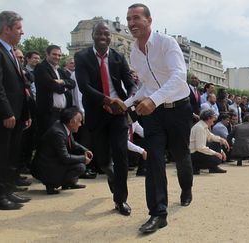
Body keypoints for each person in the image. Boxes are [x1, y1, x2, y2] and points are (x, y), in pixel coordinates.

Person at [123, 4, 194, 233]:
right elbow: (146, 85)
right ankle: (157, 213)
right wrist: (124, 104)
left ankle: (186, 187)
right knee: (154, 159)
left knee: (181, 154)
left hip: (178, 108)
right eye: (128, 19)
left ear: (149, 20)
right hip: (154, 113)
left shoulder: (167, 43)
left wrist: (153, 99)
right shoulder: (133, 52)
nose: (131, 23)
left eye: (136, 18)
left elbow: (179, 76)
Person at [74, 21, 137, 216]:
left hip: (118, 114)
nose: (104, 37)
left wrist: (129, 99)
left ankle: (121, 199)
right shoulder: (82, 56)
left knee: (121, 154)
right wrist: (105, 100)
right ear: (93, 35)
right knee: (103, 160)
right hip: (97, 112)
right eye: (100, 33)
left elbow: (130, 83)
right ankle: (112, 177)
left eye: (107, 34)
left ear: (111, 37)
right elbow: (84, 86)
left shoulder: (118, 57)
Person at [0, 10, 32, 210]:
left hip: (17, 115)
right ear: (6, 29)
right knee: (2, 155)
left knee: (12, 155)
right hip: (6, 116)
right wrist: (6, 112)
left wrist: (25, 114)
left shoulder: (11, 52)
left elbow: (21, 87)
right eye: (18, 28)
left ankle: (8, 190)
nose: (22, 32)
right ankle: (0, 195)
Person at [32, 107, 91, 194]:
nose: (80, 124)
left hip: (52, 162)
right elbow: (65, 158)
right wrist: (83, 158)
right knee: (80, 167)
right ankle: (51, 184)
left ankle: (68, 183)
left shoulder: (63, 125)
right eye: (79, 121)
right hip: (45, 168)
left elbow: (73, 144)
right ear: (71, 122)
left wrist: (85, 150)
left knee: (78, 163)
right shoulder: (58, 133)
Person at [34, 45, 76, 137]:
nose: (57, 57)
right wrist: (65, 87)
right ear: (47, 54)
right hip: (48, 114)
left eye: (59, 55)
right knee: (47, 143)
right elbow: (55, 87)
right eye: (54, 54)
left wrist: (62, 81)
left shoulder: (60, 70)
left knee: (61, 141)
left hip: (62, 113)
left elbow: (73, 83)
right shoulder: (41, 68)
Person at [190, 109, 229, 173]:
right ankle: (195, 166)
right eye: (213, 117)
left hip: (196, 153)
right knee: (216, 159)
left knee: (217, 142)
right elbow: (200, 147)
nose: (215, 118)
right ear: (208, 118)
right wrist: (216, 153)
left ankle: (212, 167)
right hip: (194, 155)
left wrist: (222, 140)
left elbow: (211, 137)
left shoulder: (202, 125)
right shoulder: (200, 128)